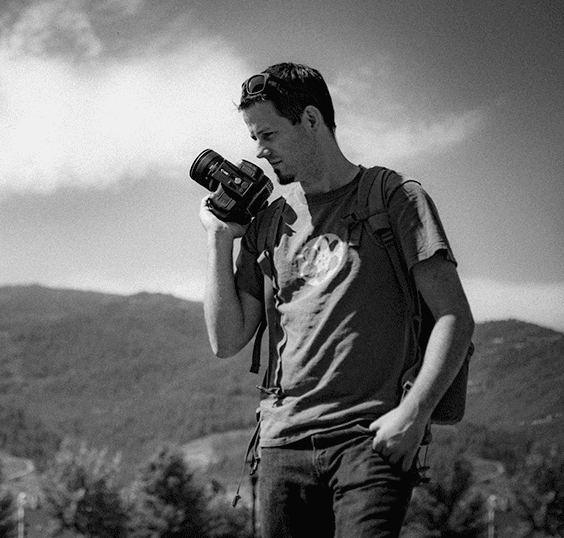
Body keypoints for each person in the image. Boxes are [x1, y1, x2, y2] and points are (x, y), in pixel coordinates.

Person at [199, 62, 475, 537]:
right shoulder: (269, 223)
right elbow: (226, 341)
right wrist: (219, 238)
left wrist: (413, 416)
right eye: (253, 138)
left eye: (268, 134)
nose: (260, 151)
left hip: (370, 439)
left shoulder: (393, 197)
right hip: (282, 446)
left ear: (310, 120)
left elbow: (455, 317)